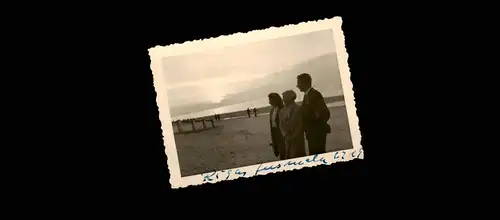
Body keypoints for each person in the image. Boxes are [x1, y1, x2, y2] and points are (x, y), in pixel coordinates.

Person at [296, 73, 331, 155]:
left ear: (305, 83)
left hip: (317, 133)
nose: (297, 86)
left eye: (299, 83)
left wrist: (310, 120)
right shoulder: (307, 95)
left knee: (318, 155)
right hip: (312, 133)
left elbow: (324, 113)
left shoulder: (314, 94)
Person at [279, 90, 306, 159]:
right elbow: (281, 125)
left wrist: (293, 136)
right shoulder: (282, 111)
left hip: (297, 139)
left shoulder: (298, 108)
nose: (283, 99)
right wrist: (285, 135)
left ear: (290, 98)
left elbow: (300, 125)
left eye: (284, 97)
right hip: (287, 139)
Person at [268, 93, 286, 159]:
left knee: (284, 153)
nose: (269, 102)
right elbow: (272, 125)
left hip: (282, 134)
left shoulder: (283, 109)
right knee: (279, 151)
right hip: (275, 134)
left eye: (270, 100)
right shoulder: (272, 110)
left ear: (275, 100)